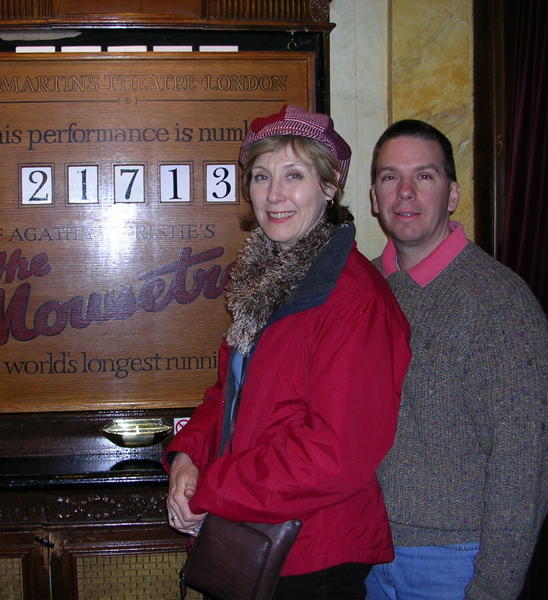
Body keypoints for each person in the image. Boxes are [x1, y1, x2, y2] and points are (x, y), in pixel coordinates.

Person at [163, 105, 411, 600]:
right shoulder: (268, 284)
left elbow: (334, 454)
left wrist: (211, 486)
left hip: (313, 555)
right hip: (250, 536)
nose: (274, 194)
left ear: (329, 185)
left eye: (293, 175)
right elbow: (229, 395)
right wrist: (188, 458)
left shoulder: (352, 298)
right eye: (261, 176)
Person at [364, 119, 548, 600]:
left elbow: (529, 457)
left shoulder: (498, 301)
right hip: (363, 550)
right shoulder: (360, 291)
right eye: (391, 177)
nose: (405, 192)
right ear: (374, 197)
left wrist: (494, 586)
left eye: (425, 176)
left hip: (454, 563)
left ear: (452, 194)